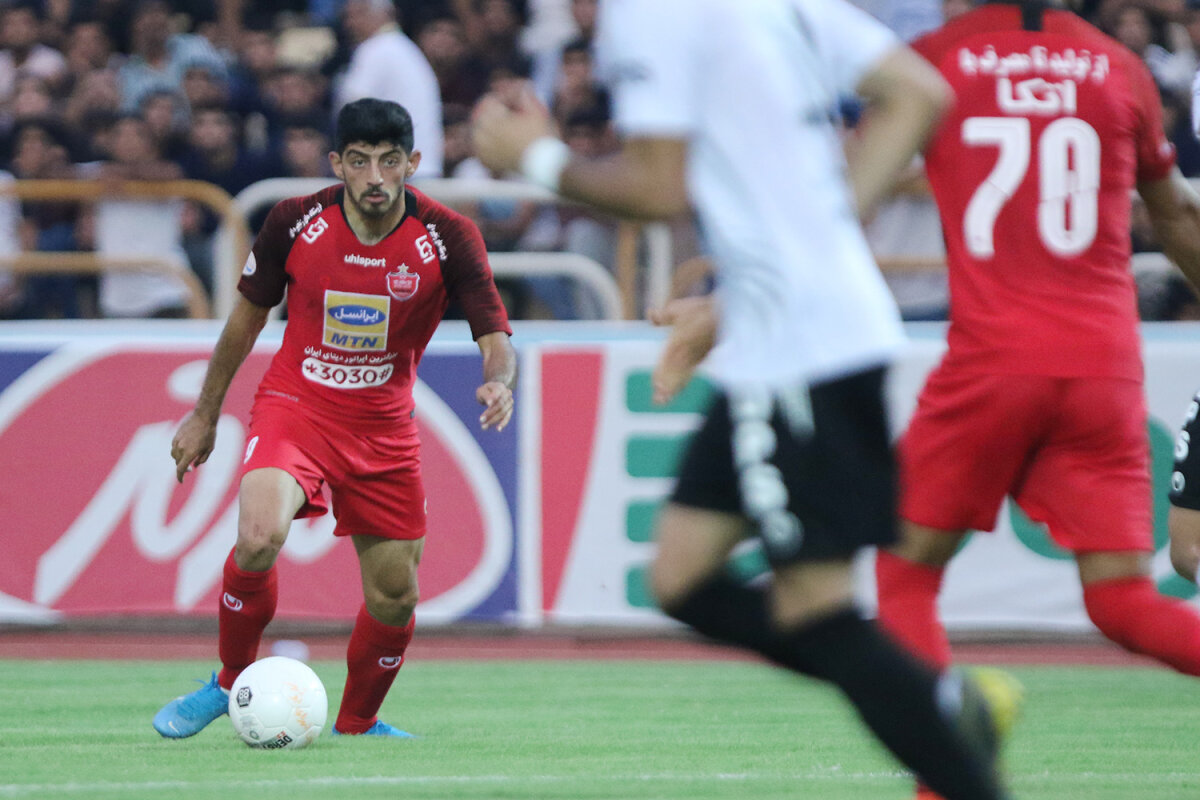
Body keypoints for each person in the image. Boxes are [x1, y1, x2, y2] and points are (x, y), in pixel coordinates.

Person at [472, 2, 1010, 798]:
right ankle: (930, 698)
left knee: (816, 610)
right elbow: (917, 91)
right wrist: (824, 232)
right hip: (786, 338)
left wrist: (535, 157)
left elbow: (659, 184)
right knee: (681, 577)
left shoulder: (650, 14)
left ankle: (940, 723)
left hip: (800, 351)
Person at [871, 2, 1200, 797]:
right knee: (1123, 601)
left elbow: (842, 199)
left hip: (992, 361)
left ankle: (946, 781)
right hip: (1103, 369)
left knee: (904, 577)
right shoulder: (1119, 67)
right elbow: (1176, 216)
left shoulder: (935, 58)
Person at [152, 97, 516, 739]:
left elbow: (495, 334)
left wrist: (499, 382)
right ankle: (230, 682)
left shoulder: (448, 236)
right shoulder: (295, 221)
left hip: (383, 429)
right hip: (297, 407)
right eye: (360, 161)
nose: (376, 177)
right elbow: (245, 321)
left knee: (395, 595)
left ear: (413, 162)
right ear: (336, 164)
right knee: (258, 536)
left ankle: (358, 724)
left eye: (389, 161)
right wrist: (204, 415)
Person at [335, 0, 444, 178]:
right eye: (347, 16)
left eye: (358, 14)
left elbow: (351, 112)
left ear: (382, 14)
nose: (350, 24)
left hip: (394, 174)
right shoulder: (405, 48)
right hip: (421, 168)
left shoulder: (376, 49)